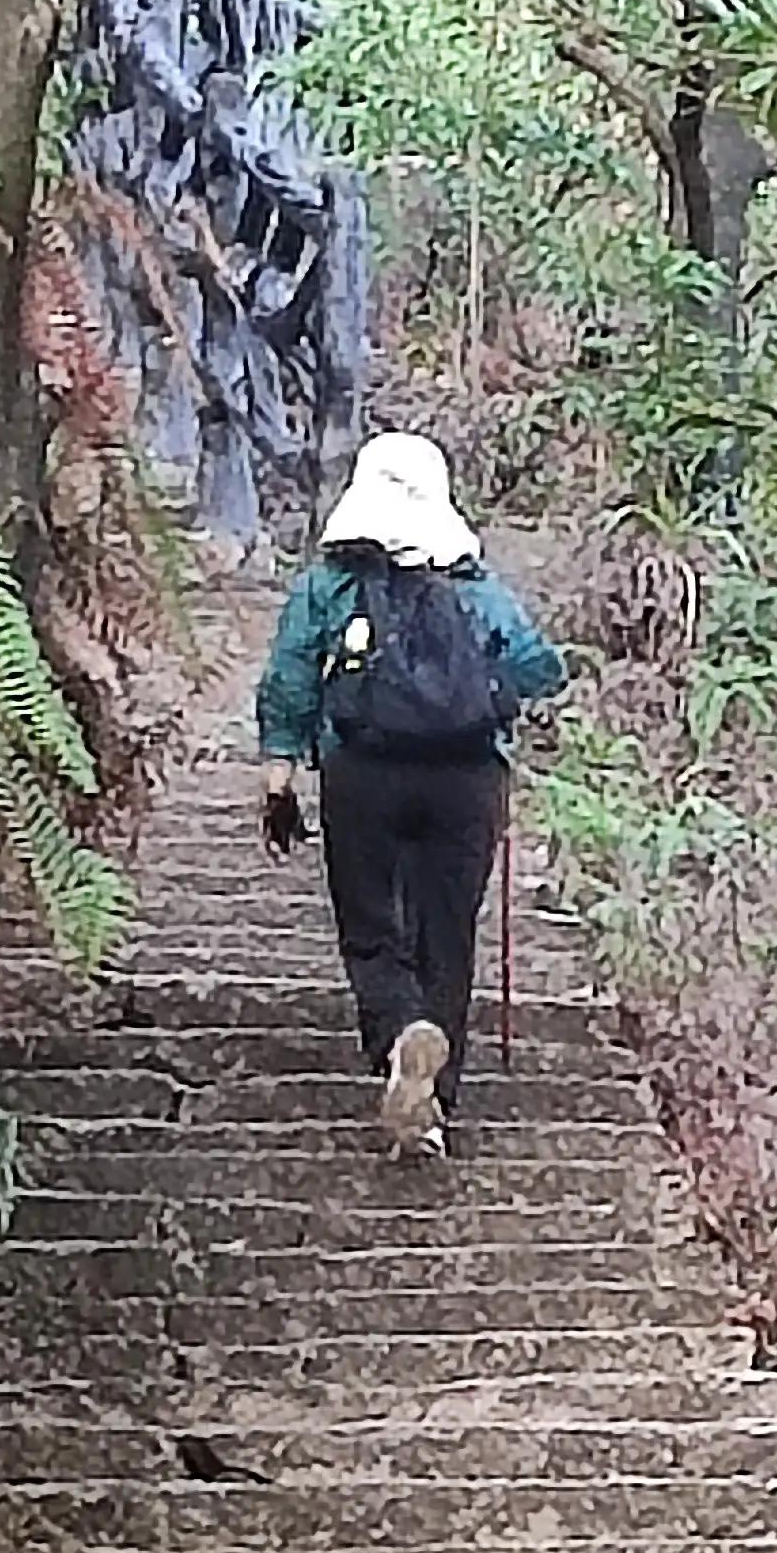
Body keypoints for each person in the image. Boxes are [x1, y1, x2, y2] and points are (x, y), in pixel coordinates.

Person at [254, 434, 568, 1152]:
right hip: (467, 778)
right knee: (447, 930)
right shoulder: (475, 585)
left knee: (371, 924)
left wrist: (279, 772)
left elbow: (290, 678)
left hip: (363, 772)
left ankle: (401, 1032)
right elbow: (537, 667)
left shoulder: (328, 584)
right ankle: (437, 1099)